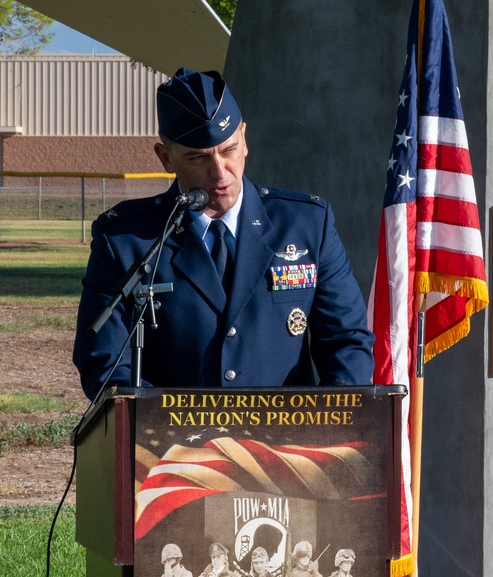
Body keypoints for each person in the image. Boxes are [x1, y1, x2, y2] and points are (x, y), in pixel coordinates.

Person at [73, 67, 374, 399]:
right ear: (165, 157)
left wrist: (328, 425)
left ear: (245, 138)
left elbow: (347, 343)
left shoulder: (305, 225)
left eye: (228, 150)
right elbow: (106, 362)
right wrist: (167, 425)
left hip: (285, 441)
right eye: (197, 158)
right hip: (174, 445)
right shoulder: (127, 240)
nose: (219, 172)